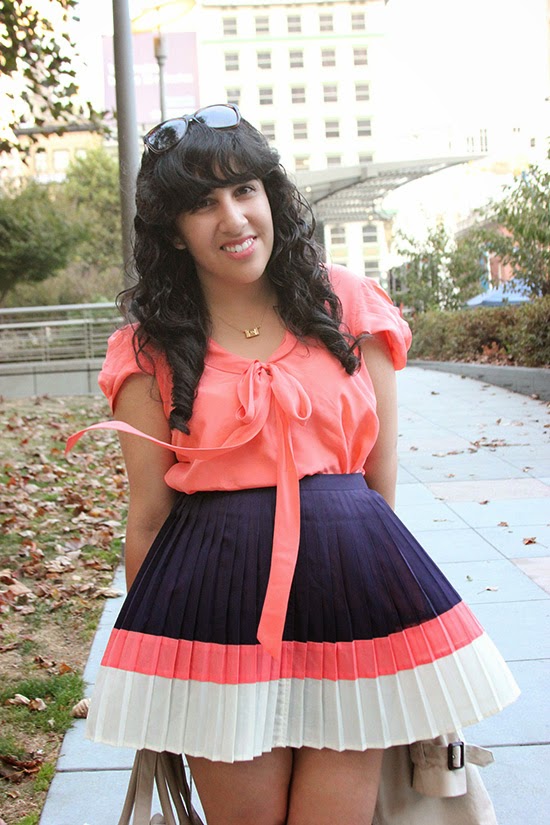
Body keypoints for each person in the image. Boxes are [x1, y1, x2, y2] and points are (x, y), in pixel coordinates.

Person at [68, 104, 519, 825]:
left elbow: (379, 487)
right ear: (173, 232)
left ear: (271, 196)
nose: (232, 217)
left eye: (244, 189)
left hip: (352, 593)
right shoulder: (148, 347)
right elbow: (148, 517)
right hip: (213, 607)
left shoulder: (348, 305)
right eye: (202, 203)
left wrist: (386, 601)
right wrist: (154, 663)